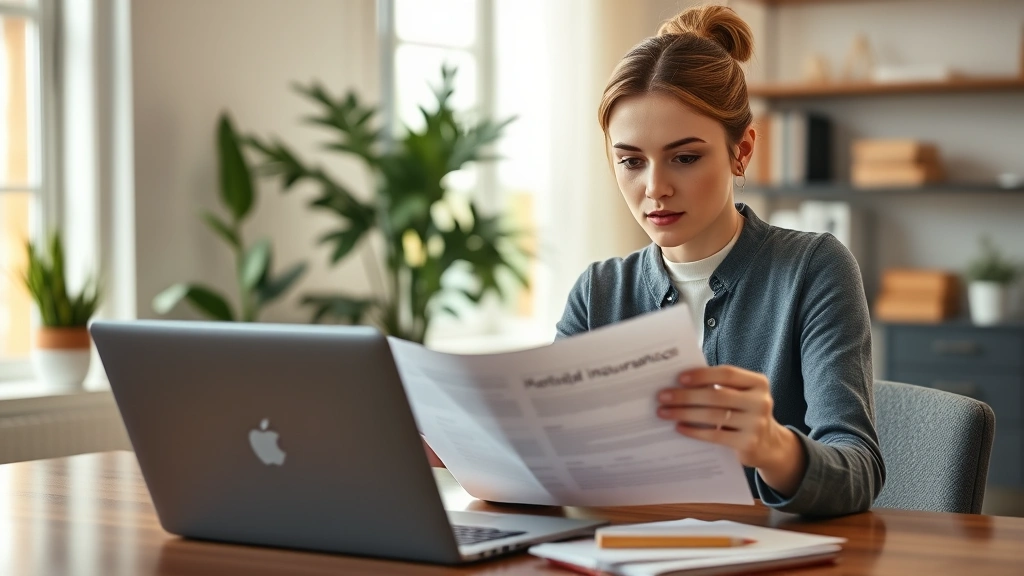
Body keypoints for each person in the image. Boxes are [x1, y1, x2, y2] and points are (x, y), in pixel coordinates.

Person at [554, 4, 885, 517]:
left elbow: (858, 471)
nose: (655, 187)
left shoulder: (814, 269)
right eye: (631, 161)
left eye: (685, 157)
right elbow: (554, 455)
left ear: (742, 150)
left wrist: (773, 447)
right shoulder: (598, 293)